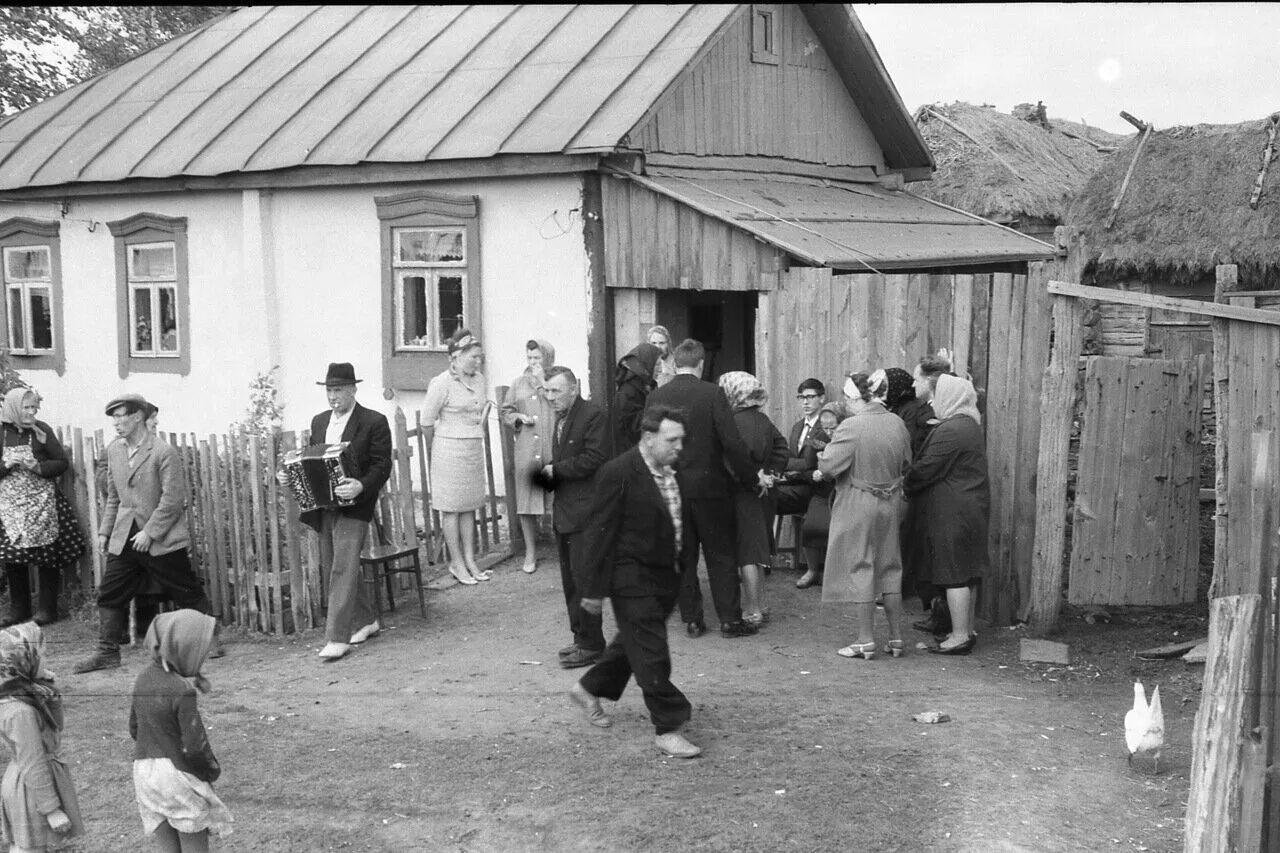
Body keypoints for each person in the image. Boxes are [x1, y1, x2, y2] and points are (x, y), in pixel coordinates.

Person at [570, 405, 701, 759]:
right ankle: (668, 726)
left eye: (681, 440)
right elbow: (599, 534)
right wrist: (593, 592)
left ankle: (589, 687)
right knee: (652, 650)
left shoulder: (672, 470)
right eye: (671, 440)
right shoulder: (618, 473)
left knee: (636, 642)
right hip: (629, 576)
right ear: (648, 437)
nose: (679, 447)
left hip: (664, 575)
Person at [73, 394, 222, 674]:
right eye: (113, 418)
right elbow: (115, 497)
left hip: (161, 538)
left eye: (122, 416)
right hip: (125, 534)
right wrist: (106, 531)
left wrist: (150, 533)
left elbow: (172, 500)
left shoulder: (162, 452)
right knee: (110, 592)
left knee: (185, 589)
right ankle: (107, 652)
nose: (116, 423)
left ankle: (210, 639)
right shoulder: (115, 451)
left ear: (139, 417)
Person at [646, 339, 763, 639]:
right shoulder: (713, 393)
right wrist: (751, 479)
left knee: (683, 556)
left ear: (674, 363)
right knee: (721, 554)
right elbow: (732, 444)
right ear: (700, 364)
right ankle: (729, 620)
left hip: (672, 489)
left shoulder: (657, 396)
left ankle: (693, 620)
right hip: (711, 489)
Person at [284, 363, 391, 662]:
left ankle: (337, 637)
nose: (333, 397)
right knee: (336, 564)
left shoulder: (374, 421)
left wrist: (360, 485)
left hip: (356, 506)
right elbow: (310, 460)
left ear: (353, 390)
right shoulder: (319, 422)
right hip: (325, 505)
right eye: (329, 391)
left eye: (339, 390)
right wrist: (290, 477)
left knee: (342, 567)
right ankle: (367, 620)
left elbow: (382, 466)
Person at [818, 373, 911, 660]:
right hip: (891, 501)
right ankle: (896, 638)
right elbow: (907, 461)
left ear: (859, 398)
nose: (844, 403)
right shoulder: (897, 422)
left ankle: (865, 640)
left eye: (847, 398)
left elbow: (829, 465)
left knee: (862, 566)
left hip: (860, 502)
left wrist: (825, 453)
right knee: (891, 567)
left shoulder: (852, 426)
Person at [130, 609, 233, 851]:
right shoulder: (181, 689)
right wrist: (209, 771)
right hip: (177, 774)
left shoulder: (142, 678)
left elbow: (134, 727)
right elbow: (195, 747)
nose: (203, 657)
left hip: (144, 773)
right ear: (183, 647)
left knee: (166, 844)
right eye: (201, 651)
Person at [905, 374, 990, 655]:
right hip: (969, 507)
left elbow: (924, 469)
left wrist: (907, 481)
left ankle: (959, 635)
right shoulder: (970, 425)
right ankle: (967, 628)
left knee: (953, 573)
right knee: (967, 571)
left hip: (952, 511)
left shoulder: (951, 429)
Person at [538, 366, 609, 669]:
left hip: (586, 513)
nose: (550, 397)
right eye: (547, 391)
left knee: (585, 580)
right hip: (566, 511)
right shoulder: (563, 417)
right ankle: (581, 638)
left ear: (573, 389)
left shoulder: (592, 415)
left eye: (556, 391)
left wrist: (557, 470)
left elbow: (596, 457)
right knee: (571, 581)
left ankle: (593, 644)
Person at [0, 389, 86, 627]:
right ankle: (19, 609)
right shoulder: (1, 433)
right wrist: (5, 464)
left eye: (34, 408)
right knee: (13, 557)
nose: (31, 413)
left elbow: (61, 463)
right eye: (26, 408)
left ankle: (47, 610)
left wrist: (38, 466)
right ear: (14, 408)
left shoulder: (42, 431)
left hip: (41, 502)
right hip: (10, 507)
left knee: (46, 555)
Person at [0, 622, 82, 851]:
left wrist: (52, 694)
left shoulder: (22, 695)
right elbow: (33, 760)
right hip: (32, 789)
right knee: (31, 849)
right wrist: (51, 810)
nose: (45, 660)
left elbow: (55, 731)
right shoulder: (20, 712)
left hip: (30, 785)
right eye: (42, 654)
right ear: (24, 660)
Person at [717, 372, 787, 627]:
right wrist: (768, 474)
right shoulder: (764, 420)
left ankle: (753, 610)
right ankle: (762, 604)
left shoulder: (729, 422)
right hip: (764, 493)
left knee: (745, 553)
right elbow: (782, 448)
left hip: (741, 492)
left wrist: (751, 477)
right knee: (758, 550)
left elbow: (731, 459)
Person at [422, 329, 491, 585]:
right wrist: (435, 450)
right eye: (473, 357)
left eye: (479, 357)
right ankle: (456, 563)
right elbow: (427, 422)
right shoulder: (441, 383)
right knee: (451, 509)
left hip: (472, 448)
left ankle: (470, 560)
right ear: (456, 357)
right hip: (448, 451)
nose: (477, 361)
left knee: (468, 506)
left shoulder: (480, 379)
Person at [501, 340, 557, 574]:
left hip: (551, 450)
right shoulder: (518, 383)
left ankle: (562, 548)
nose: (533, 363)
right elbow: (506, 410)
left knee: (558, 500)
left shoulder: (557, 381)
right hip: (526, 451)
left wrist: (544, 383)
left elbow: (559, 404)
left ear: (548, 359)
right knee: (526, 503)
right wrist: (517, 418)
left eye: (538, 358)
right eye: (530, 358)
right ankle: (531, 552)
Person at [796, 401, 847, 589]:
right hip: (823, 491)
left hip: (845, 492)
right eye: (825, 427)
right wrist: (814, 475)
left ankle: (837, 573)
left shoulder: (851, 438)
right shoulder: (817, 437)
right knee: (811, 525)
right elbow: (805, 468)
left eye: (833, 428)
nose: (828, 432)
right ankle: (812, 570)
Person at [775, 378, 826, 517]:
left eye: (810, 397)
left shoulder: (825, 427)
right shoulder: (798, 427)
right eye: (801, 397)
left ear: (821, 398)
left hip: (815, 489)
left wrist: (792, 465)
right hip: (793, 483)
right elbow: (790, 458)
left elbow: (810, 463)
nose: (805, 402)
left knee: (769, 497)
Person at [610, 342, 661, 455]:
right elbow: (633, 426)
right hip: (630, 452)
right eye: (657, 364)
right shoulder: (630, 390)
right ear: (647, 364)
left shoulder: (643, 385)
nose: (660, 369)